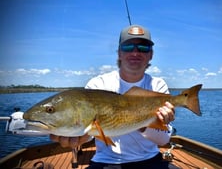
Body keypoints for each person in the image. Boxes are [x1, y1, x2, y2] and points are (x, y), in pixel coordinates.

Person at [50, 24, 175, 169]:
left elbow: (163, 139)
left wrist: (139, 122)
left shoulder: (158, 85)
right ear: (119, 53)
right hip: (107, 160)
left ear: (151, 54)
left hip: (150, 159)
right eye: (128, 47)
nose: (135, 53)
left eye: (143, 48)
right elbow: (91, 132)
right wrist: (79, 136)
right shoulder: (98, 84)